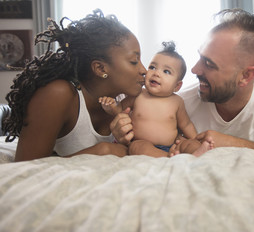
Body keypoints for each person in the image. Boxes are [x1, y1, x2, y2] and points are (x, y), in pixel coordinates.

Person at [111, 8, 254, 155]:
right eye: (199, 56)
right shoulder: (182, 100)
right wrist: (123, 132)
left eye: (209, 63)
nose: (194, 69)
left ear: (246, 76)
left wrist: (237, 144)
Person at [3, 9, 147, 161]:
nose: (144, 70)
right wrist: (101, 151)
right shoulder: (58, 94)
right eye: (134, 61)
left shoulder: (130, 98)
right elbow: (25, 166)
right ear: (100, 68)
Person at [99, 42, 214, 157]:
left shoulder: (177, 101)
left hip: (172, 146)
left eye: (166, 71)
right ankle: (167, 158)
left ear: (177, 86)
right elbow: (120, 110)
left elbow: (186, 125)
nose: (156, 73)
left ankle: (200, 153)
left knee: (189, 144)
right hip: (142, 143)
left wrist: (195, 140)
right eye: (152, 67)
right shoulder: (139, 94)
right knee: (136, 148)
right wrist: (112, 106)